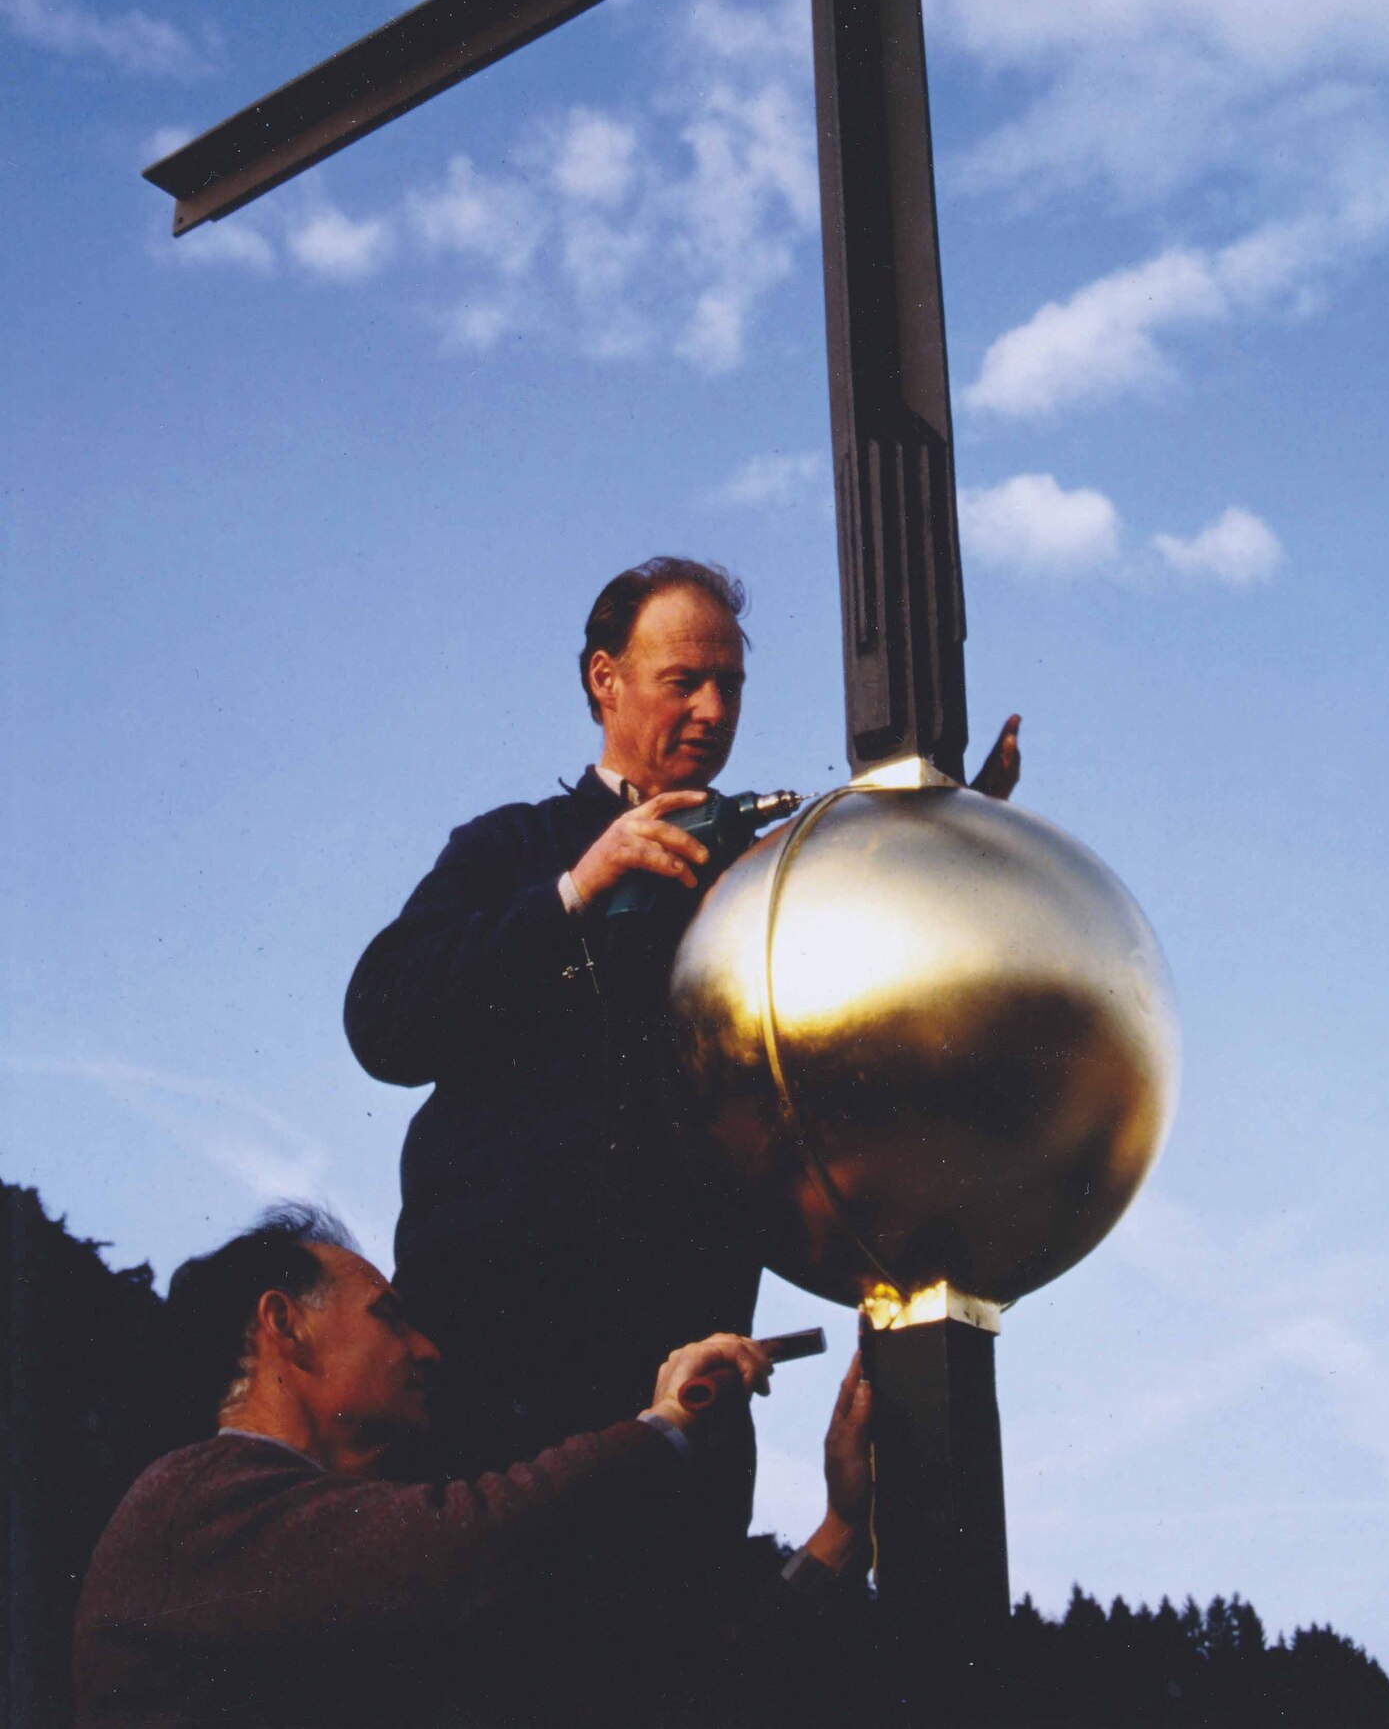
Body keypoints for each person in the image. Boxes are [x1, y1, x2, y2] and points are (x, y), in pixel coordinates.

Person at [344, 556, 1021, 1471]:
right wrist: (575, 892)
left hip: (680, 1365)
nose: (712, 710)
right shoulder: (511, 847)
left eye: (729, 685)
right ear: (604, 679)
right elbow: (384, 1021)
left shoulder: (761, 877)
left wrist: (947, 850)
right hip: (490, 1361)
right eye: (683, 682)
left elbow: (874, 986)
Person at [73, 1205, 874, 1729]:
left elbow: (664, 1703)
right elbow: (466, 1543)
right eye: (389, 1318)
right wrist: (667, 1424)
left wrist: (840, 1534)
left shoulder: (356, 1585)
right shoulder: (190, 1503)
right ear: (287, 1325)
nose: (425, 1349)